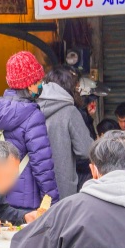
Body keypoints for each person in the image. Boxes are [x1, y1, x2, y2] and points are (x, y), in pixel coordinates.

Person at [0, 51, 59, 210]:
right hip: (25, 202)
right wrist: (52, 202)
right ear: (29, 84)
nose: (41, 84)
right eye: (39, 81)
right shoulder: (32, 115)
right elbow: (42, 164)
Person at [39, 68, 94, 198]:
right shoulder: (70, 112)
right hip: (63, 188)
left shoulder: (33, 107)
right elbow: (86, 150)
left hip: (37, 187)